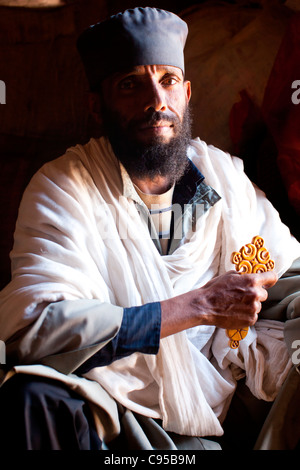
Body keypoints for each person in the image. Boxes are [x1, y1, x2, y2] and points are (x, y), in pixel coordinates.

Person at [0, 7, 299, 451]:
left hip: (218, 403)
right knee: (31, 397)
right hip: (113, 407)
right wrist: (195, 306)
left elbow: (279, 276)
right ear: (96, 106)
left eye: (168, 81)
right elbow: (35, 326)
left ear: (186, 93)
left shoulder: (222, 181)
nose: (156, 100)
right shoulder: (65, 188)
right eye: (130, 84)